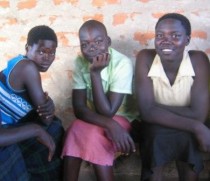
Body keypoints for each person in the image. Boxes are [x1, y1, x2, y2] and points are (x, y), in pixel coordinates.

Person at [135, 13, 210, 181]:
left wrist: (155, 108)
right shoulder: (145, 58)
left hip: (175, 123)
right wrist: (196, 127)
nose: (166, 41)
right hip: (155, 126)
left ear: (188, 40)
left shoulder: (198, 60)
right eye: (160, 35)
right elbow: (146, 113)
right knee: (154, 136)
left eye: (175, 36)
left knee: (189, 141)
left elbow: (199, 115)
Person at [61, 20, 136, 181]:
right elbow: (79, 108)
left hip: (122, 117)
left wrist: (95, 74)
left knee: (96, 137)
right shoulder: (80, 62)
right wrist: (110, 124)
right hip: (95, 117)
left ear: (108, 42)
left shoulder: (122, 64)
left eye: (98, 41)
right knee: (74, 129)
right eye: (85, 44)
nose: (92, 47)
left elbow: (108, 112)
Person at [0, 25, 64, 181]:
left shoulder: (23, 66)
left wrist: (49, 105)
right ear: (28, 48)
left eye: (52, 53)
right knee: (9, 150)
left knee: (54, 127)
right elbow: (45, 118)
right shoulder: (27, 67)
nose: (47, 57)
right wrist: (35, 130)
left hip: (5, 129)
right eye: (41, 51)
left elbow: (47, 117)